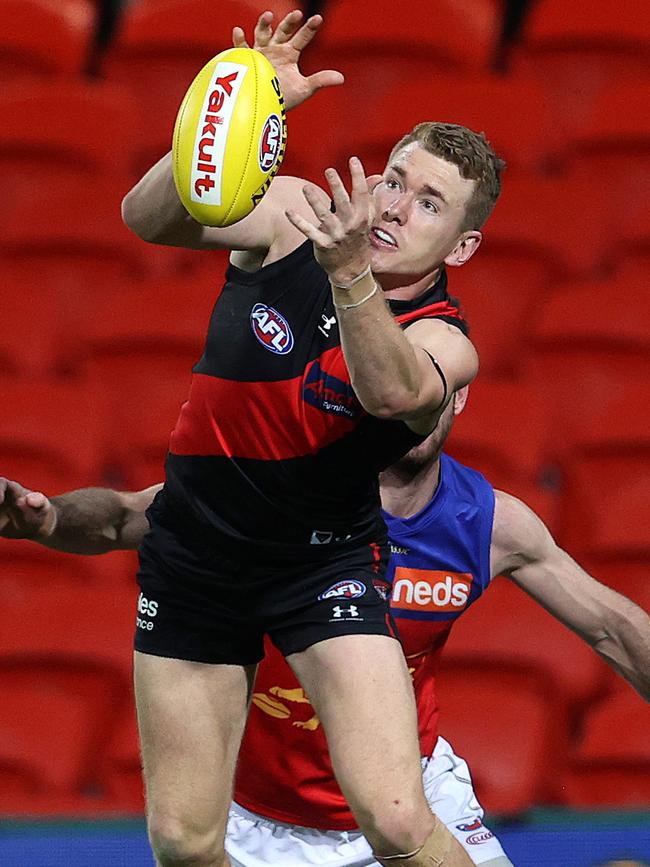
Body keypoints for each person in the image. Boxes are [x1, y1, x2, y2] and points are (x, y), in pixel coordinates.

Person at [111, 5, 505, 865]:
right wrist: (235, 119)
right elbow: (147, 218)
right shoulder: (292, 209)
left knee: (398, 818)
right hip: (194, 558)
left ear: (462, 244)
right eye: (397, 178)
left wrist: (351, 274)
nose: (398, 204)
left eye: (429, 202)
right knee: (182, 841)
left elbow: (393, 388)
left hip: (318, 563)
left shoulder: (447, 338)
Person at [2, 393, 649, 867]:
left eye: (435, 383)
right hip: (258, 825)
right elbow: (121, 519)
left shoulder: (489, 524)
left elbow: (614, 627)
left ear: (462, 395)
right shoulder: (264, 497)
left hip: (412, 801)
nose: (416, 404)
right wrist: (46, 518)